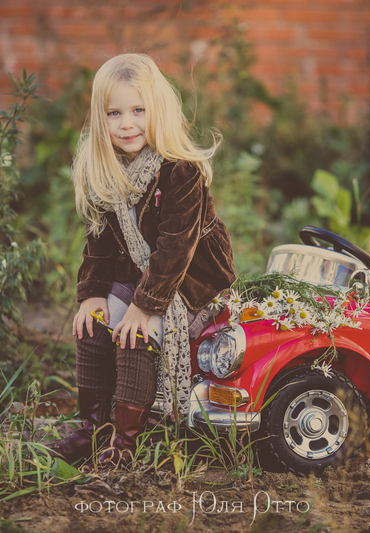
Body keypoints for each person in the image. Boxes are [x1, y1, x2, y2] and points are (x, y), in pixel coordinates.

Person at [47, 53, 236, 466]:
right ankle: (92, 429)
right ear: (100, 118)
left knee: (135, 331)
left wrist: (144, 307)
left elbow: (175, 249)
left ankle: (124, 442)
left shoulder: (181, 171)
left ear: (158, 111)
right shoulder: (107, 170)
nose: (126, 124)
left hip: (190, 285)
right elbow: (98, 241)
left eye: (138, 110)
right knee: (93, 325)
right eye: (114, 113)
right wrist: (92, 294)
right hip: (140, 279)